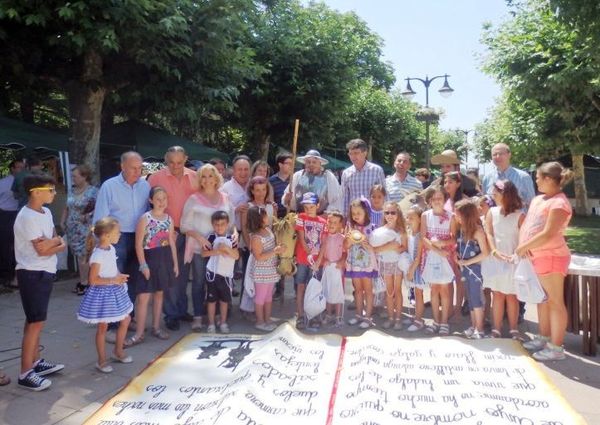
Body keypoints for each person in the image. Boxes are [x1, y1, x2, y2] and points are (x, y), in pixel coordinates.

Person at [14, 174, 66, 391]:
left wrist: (53, 242)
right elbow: (43, 248)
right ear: (36, 192)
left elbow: (57, 243)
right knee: (35, 322)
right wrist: (54, 242)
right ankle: (25, 372)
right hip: (32, 273)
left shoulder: (45, 212)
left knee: (35, 320)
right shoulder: (27, 217)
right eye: (50, 190)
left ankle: (35, 361)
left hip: (44, 271)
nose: (54, 193)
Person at [517, 162, 573, 361]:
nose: (536, 180)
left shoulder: (559, 203)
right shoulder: (539, 199)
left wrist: (524, 246)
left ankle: (556, 348)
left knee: (555, 302)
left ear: (549, 179)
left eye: (539, 177)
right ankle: (544, 337)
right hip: (537, 257)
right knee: (543, 299)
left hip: (551, 257)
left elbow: (549, 233)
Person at [93, 151, 150, 341]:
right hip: (116, 239)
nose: (137, 171)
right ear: (122, 166)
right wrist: (103, 243)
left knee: (132, 280)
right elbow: (101, 217)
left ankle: (128, 317)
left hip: (139, 238)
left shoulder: (145, 185)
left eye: (140, 168)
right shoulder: (109, 186)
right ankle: (111, 326)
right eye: (133, 168)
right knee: (113, 281)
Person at [147, 146, 197, 331]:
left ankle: (182, 309)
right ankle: (171, 314)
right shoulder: (155, 179)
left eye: (179, 162)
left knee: (184, 274)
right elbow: (149, 207)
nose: (175, 166)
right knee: (169, 275)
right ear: (165, 161)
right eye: (171, 162)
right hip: (167, 233)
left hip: (190, 233)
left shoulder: (195, 177)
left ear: (185, 159)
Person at [181, 164, 235, 331]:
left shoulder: (225, 198)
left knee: (219, 282)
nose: (207, 180)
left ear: (216, 178)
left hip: (222, 251)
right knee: (199, 282)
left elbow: (232, 222)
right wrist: (199, 237)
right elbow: (184, 225)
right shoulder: (194, 199)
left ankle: (218, 316)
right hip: (201, 250)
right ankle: (198, 316)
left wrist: (235, 234)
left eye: (210, 176)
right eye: (203, 176)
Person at [77, 217, 133, 373]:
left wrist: (119, 276)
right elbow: (93, 280)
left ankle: (118, 351)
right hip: (102, 293)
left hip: (114, 289)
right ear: (107, 235)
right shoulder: (97, 255)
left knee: (126, 319)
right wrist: (113, 279)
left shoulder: (111, 249)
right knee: (103, 327)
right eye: (117, 232)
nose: (120, 234)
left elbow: (112, 268)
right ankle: (101, 361)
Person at [126, 187, 177, 347]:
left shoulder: (169, 219)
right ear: (151, 200)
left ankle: (156, 327)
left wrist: (175, 263)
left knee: (160, 294)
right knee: (143, 297)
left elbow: (171, 242)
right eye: (158, 199)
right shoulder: (145, 219)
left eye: (164, 199)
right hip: (148, 259)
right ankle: (139, 333)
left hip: (164, 259)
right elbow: (139, 244)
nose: (162, 202)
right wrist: (143, 265)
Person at [484, 180, 524, 339]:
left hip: (513, 259)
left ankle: (514, 329)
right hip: (496, 259)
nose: (493, 194)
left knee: (512, 295)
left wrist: (515, 254)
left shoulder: (520, 215)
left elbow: (523, 238)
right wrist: (494, 251)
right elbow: (489, 233)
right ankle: (496, 328)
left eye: (496, 191)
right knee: (498, 294)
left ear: (506, 194)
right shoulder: (492, 212)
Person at [421, 186, 457, 336]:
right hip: (430, 256)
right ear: (430, 201)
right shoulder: (425, 215)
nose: (437, 201)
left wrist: (443, 244)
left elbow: (454, 238)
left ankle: (444, 322)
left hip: (445, 258)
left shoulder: (451, 216)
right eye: (434, 198)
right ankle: (435, 321)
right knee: (434, 289)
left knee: (445, 290)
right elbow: (423, 237)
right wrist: (436, 249)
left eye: (440, 198)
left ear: (444, 200)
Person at [61, 165, 98, 295]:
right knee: (79, 256)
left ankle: (85, 283)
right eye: (72, 176)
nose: (73, 179)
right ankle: (83, 280)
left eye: (75, 176)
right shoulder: (72, 191)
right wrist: (62, 221)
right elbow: (67, 207)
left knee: (85, 256)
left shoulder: (93, 191)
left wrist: (88, 216)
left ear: (84, 176)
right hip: (72, 228)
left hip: (86, 228)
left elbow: (98, 209)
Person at [370, 201, 408, 330]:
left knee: (397, 291)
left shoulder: (401, 231)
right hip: (385, 264)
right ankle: (391, 317)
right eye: (387, 212)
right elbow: (374, 249)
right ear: (383, 214)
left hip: (397, 264)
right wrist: (390, 246)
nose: (390, 215)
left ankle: (398, 318)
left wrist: (395, 247)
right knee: (389, 292)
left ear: (398, 214)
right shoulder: (380, 231)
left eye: (393, 212)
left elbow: (403, 247)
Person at [455, 199, 489, 339]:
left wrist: (468, 261)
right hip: (466, 270)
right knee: (470, 298)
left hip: (475, 271)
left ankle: (479, 329)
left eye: (457, 214)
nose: (455, 217)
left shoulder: (477, 231)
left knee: (477, 299)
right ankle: (473, 325)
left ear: (466, 215)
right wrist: (458, 257)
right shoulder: (462, 230)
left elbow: (485, 253)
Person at [247, 206, 285, 331]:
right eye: (264, 216)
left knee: (269, 296)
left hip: (271, 269)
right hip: (261, 272)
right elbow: (258, 256)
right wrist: (275, 251)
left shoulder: (268, 230)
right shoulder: (256, 237)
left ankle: (267, 319)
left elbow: (273, 245)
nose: (267, 217)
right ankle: (260, 321)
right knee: (260, 297)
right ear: (258, 219)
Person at [201, 211, 239, 334]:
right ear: (213, 225)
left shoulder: (231, 239)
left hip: (226, 275)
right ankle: (211, 324)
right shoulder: (211, 237)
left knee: (224, 301)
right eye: (217, 224)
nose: (220, 227)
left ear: (227, 224)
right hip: (212, 274)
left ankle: (223, 322)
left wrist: (227, 249)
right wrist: (217, 251)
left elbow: (236, 256)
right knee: (211, 301)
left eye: (222, 224)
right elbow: (203, 253)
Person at [294, 192, 327, 329]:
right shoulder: (301, 218)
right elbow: (301, 239)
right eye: (306, 207)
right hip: (303, 259)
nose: (308, 210)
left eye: (311, 207)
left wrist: (318, 260)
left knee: (315, 288)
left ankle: (314, 314)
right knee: (301, 286)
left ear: (318, 206)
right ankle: (300, 315)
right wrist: (310, 255)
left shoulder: (324, 222)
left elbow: (324, 242)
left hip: (317, 262)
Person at [345, 198, 378, 329]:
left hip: (367, 264)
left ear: (366, 212)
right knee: (358, 290)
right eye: (353, 214)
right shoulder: (350, 227)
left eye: (359, 213)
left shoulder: (372, 228)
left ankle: (368, 317)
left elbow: (375, 247)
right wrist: (349, 241)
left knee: (368, 290)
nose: (356, 216)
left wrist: (369, 246)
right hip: (354, 264)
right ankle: (358, 315)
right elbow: (345, 246)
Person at [283, 149, 342, 214]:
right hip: (301, 217)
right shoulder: (298, 176)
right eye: (308, 162)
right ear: (305, 163)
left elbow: (336, 200)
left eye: (314, 162)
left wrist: (326, 214)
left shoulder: (328, 177)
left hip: (321, 218)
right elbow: (289, 201)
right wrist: (287, 199)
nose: (311, 164)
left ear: (320, 163)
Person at [314, 210, 346, 328]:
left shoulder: (342, 238)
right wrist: (323, 261)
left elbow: (344, 253)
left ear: (340, 225)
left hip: (337, 269)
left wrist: (341, 262)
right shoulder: (324, 237)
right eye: (330, 221)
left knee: (338, 293)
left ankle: (338, 316)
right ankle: (328, 314)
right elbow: (321, 253)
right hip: (327, 268)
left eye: (335, 222)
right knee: (327, 291)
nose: (332, 224)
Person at [481, 143, 535, 208]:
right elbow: (485, 202)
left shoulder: (523, 177)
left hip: (518, 217)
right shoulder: (487, 178)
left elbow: (532, 204)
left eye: (501, 154)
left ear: (509, 155)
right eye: (494, 154)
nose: (497, 157)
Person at [341, 139, 385, 216]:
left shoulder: (377, 170)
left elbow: (384, 194)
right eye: (351, 154)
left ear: (365, 153)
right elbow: (345, 198)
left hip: (373, 215)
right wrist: (345, 217)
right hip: (354, 217)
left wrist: (385, 214)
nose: (353, 156)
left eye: (356, 153)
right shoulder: (346, 173)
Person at [0, 158, 24, 288]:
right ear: (12, 169)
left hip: (19, 214)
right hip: (5, 215)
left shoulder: (25, 181)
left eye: (22, 167)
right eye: (18, 167)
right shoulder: (3, 183)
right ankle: (5, 275)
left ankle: (16, 275)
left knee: (18, 245)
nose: (21, 170)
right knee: (5, 245)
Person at [405, 206, 427, 332]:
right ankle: (415, 316)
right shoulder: (409, 233)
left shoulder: (420, 236)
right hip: (411, 267)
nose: (408, 220)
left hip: (418, 268)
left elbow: (418, 258)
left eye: (412, 218)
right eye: (407, 217)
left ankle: (419, 320)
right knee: (413, 292)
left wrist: (412, 270)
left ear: (420, 219)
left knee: (418, 294)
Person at [269, 153, 293, 219]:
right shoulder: (271, 181)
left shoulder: (295, 180)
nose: (291, 165)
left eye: (292, 163)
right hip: (276, 218)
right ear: (280, 165)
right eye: (288, 163)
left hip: (291, 218)